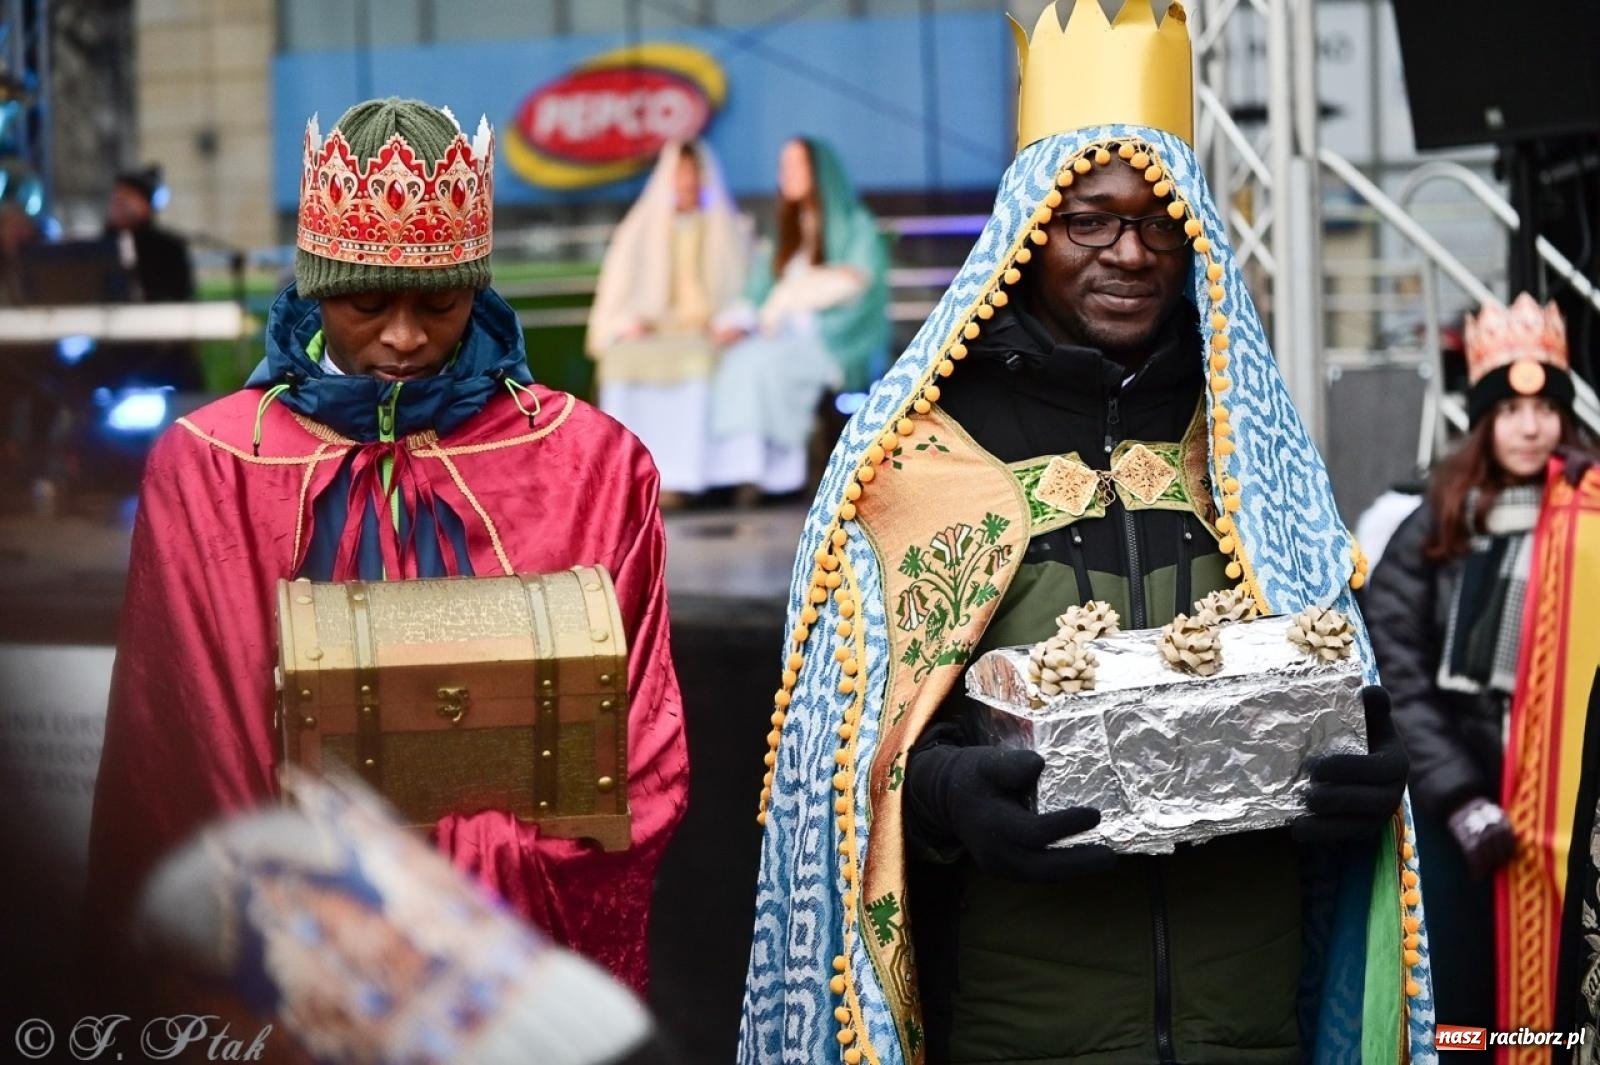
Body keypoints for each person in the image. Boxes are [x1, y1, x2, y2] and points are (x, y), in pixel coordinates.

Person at [741, 4, 1434, 1063]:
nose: (1130, 252)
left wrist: (1362, 758)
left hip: (1247, 1028)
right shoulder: (923, 456)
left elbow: (1324, 675)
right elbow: (839, 768)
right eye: (1091, 222)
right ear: (1029, 232)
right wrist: (944, 795)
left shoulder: (1249, 445)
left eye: (1159, 220)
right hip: (1027, 1028)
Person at [86, 98, 689, 994]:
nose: (404, 336)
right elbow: (179, 754)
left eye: (441, 303)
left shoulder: (589, 467)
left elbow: (641, 756)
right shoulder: (211, 469)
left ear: (478, 291)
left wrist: (464, 880)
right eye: (366, 304)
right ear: (316, 286)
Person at [1367, 294, 1600, 1032]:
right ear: (1484, 420)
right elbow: (1397, 667)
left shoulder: (1592, 512)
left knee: (1565, 996)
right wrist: (1460, 796)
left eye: (1543, 409)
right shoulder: (1438, 517)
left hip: (1574, 804)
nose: (1529, 427)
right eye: (1508, 411)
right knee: (1468, 998)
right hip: (1464, 802)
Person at [705, 137, 888, 501]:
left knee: (765, 365)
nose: (786, 174)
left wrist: (791, 300)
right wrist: (736, 321)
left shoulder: (856, 225)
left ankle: (783, 478)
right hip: (777, 334)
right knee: (738, 360)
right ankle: (745, 473)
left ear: (819, 171)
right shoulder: (782, 233)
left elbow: (860, 284)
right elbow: (756, 293)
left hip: (828, 337)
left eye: (797, 165)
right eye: (783, 165)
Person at [587, 141, 748, 507]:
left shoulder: (727, 228)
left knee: (701, 362)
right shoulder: (639, 232)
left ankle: (688, 478)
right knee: (622, 358)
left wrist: (726, 321)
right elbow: (618, 295)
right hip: (654, 331)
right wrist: (627, 322)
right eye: (681, 171)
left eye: (694, 172)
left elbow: (741, 291)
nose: (687, 181)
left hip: (702, 333)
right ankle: (630, 478)